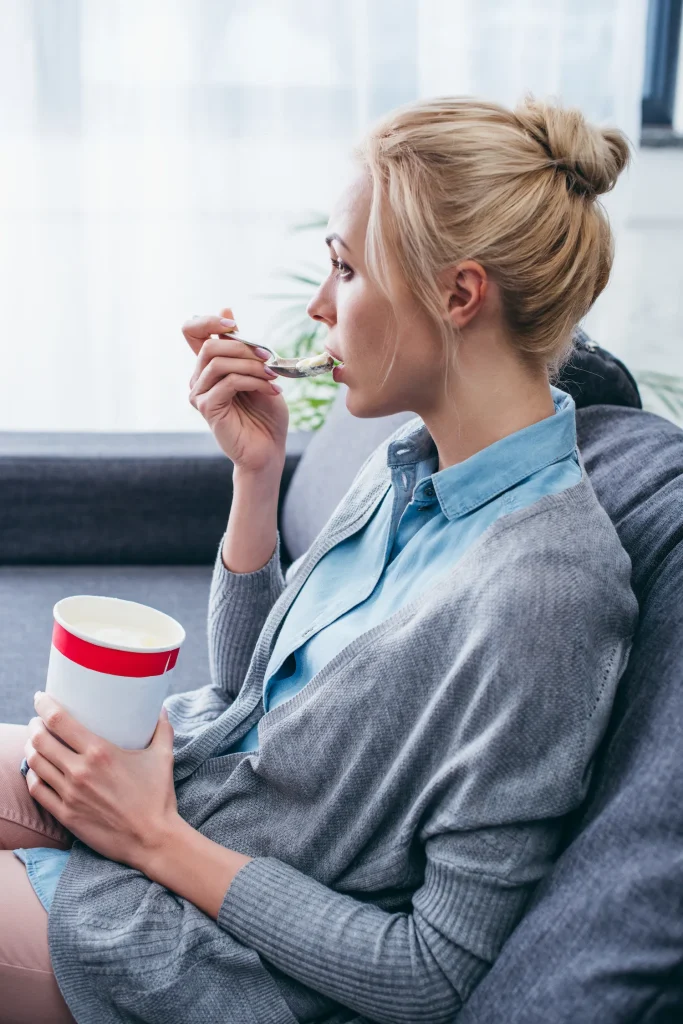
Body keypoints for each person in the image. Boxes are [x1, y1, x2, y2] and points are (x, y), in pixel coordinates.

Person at [0, 97, 638, 1024]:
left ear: (460, 295)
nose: (316, 306)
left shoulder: (547, 593)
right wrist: (254, 480)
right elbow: (261, 694)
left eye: (344, 268)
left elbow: (430, 973)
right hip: (185, 796)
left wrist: (152, 836)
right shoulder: (410, 462)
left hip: (210, 939)